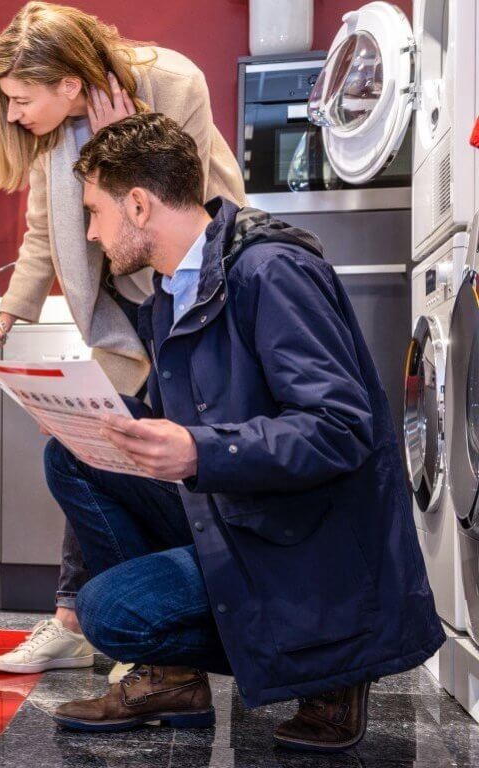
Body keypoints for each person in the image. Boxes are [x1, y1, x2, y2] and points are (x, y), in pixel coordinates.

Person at [44, 111, 444, 752]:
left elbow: (338, 429)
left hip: (308, 543)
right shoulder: (171, 295)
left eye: (95, 212)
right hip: (242, 506)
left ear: (139, 205)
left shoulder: (270, 272)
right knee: (72, 454)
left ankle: (335, 661)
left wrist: (200, 450)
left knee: (108, 611)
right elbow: (192, 421)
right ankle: (171, 677)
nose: (91, 233)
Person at [0, 1, 246, 679]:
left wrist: (125, 140)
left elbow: (174, 206)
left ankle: (146, 633)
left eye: (20, 99)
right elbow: (44, 235)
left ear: (69, 85)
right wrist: (7, 316)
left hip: (200, 294)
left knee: (161, 455)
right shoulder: (54, 136)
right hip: (129, 307)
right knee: (93, 447)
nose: (13, 115)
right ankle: (93, 623)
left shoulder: (174, 82)